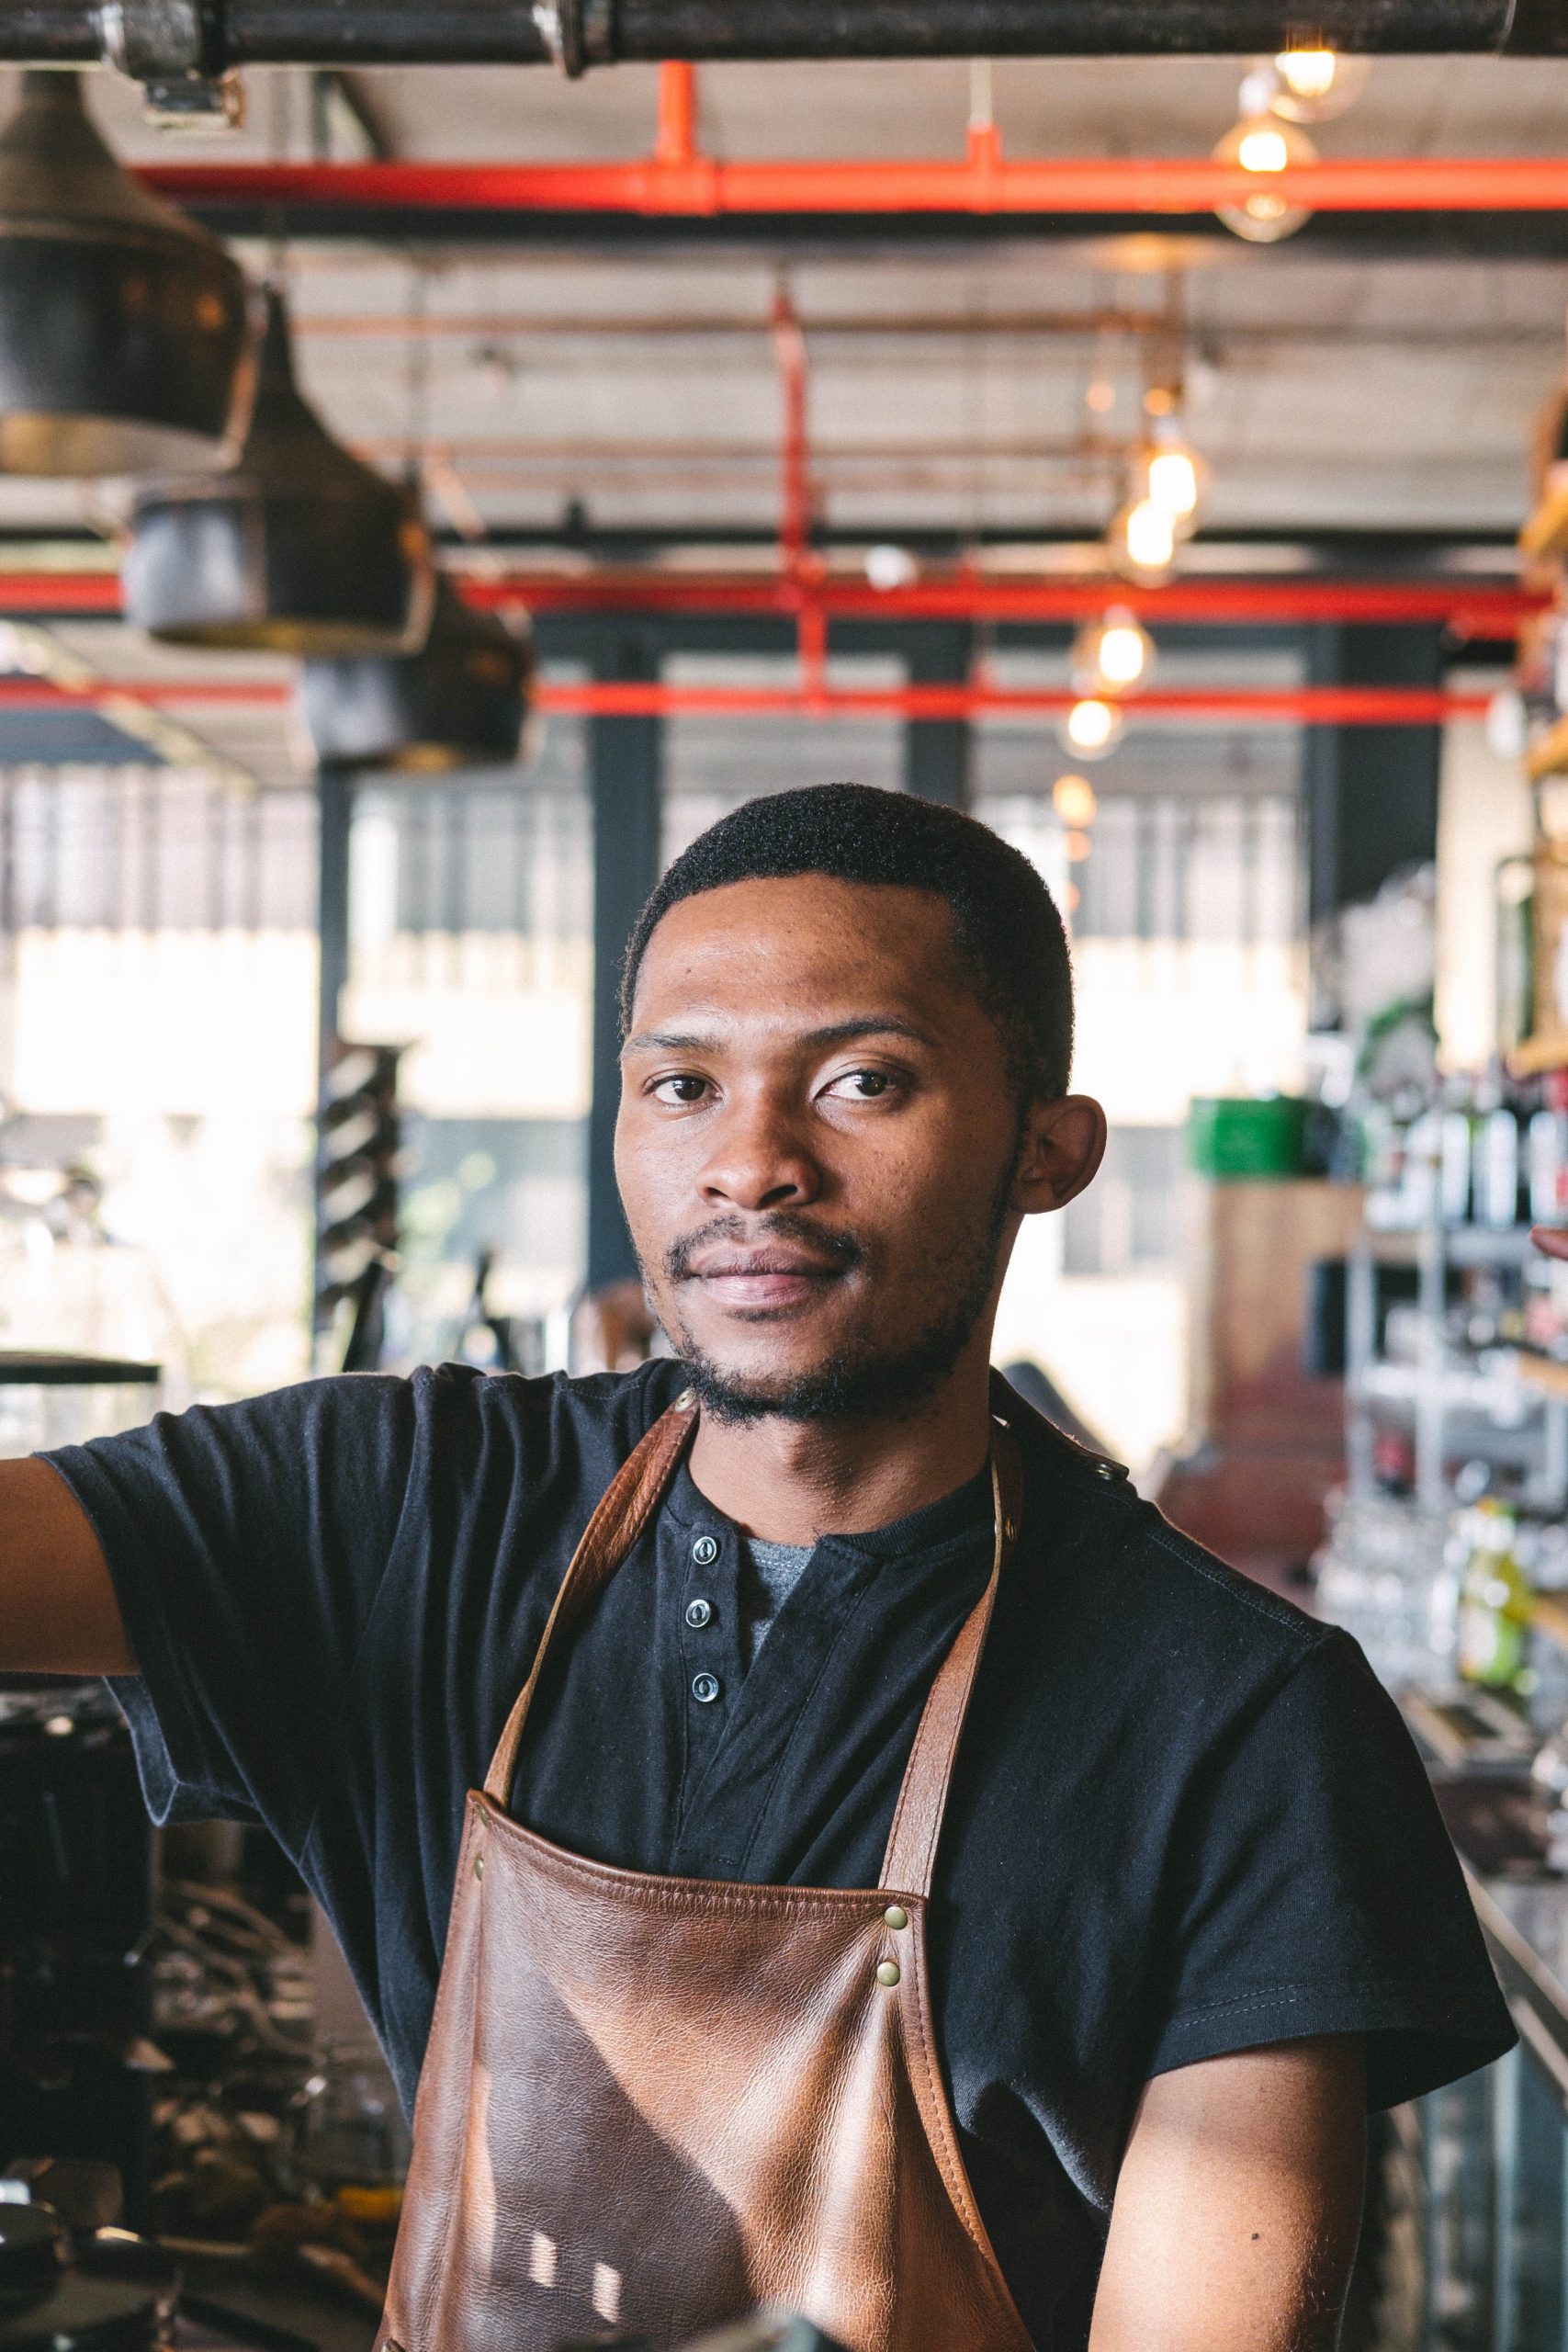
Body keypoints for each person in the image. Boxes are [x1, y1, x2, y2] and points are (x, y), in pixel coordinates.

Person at [1, 784, 1512, 2352]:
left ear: (1048, 1153)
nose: (751, 1163)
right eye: (681, 1085)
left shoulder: (1238, 1728)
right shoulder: (408, 1512)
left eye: (863, 1080)